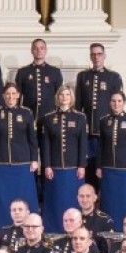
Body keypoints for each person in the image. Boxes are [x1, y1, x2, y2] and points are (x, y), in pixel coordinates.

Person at [0, 83, 39, 229]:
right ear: (3, 96)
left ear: (18, 95)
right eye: (8, 94)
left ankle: (27, 226)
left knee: (24, 196)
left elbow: (32, 139)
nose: (11, 97)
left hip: (23, 164)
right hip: (0, 163)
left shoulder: (27, 113)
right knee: (1, 199)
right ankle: (2, 227)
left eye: (14, 93)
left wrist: (34, 159)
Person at [38, 85, 89, 227]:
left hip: (74, 169)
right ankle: (53, 228)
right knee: (55, 199)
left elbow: (82, 143)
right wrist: (47, 165)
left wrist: (82, 166)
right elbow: (45, 145)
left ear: (71, 97)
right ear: (57, 97)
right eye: (61, 95)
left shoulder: (80, 117)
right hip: (54, 168)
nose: (64, 97)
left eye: (67, 94)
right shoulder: (48, 118)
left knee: (72, 199)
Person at [95, 91, 126, 232]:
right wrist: (99, 166)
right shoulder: (104, 121)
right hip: (108, 169)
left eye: (119, 101)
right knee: (109, 201)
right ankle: (109, 228)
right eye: (113, 101)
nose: (116, 104)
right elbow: (100, 146)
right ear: (109, 103)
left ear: (123, 103)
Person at [74, 44, 124, 129]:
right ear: (90, 57)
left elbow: (118, 103)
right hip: (87, 125)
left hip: (107, 126)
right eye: (93, 54)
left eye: (99, 54)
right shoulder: (82, 76)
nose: (96, 57)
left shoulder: (114, 76)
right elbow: (78, 103)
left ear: (104, 56)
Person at [14, 38, 62, 116]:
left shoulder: (55, 72)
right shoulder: (22, 72)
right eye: (35, 48)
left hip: (50, 114)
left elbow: (60, 95)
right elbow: (17, 96)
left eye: (42, 48)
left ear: (46, 50)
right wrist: (17, 114)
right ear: (31, 51)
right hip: (28, 114)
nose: (39, 50)